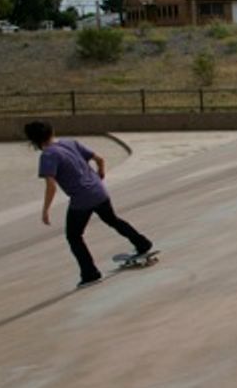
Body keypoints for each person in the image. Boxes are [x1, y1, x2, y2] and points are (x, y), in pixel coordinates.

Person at [24, 120, 153, 288]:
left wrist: (45, 210)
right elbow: (99, 159)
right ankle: (142, 243)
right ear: (52, 131)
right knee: (113, 220)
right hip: (99, 191)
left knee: (74, 236)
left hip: (82, 199)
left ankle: (90, 273)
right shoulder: (70, 143)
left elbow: (51, 186)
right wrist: (100, 174)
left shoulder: (48, 155)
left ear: (34, 141)